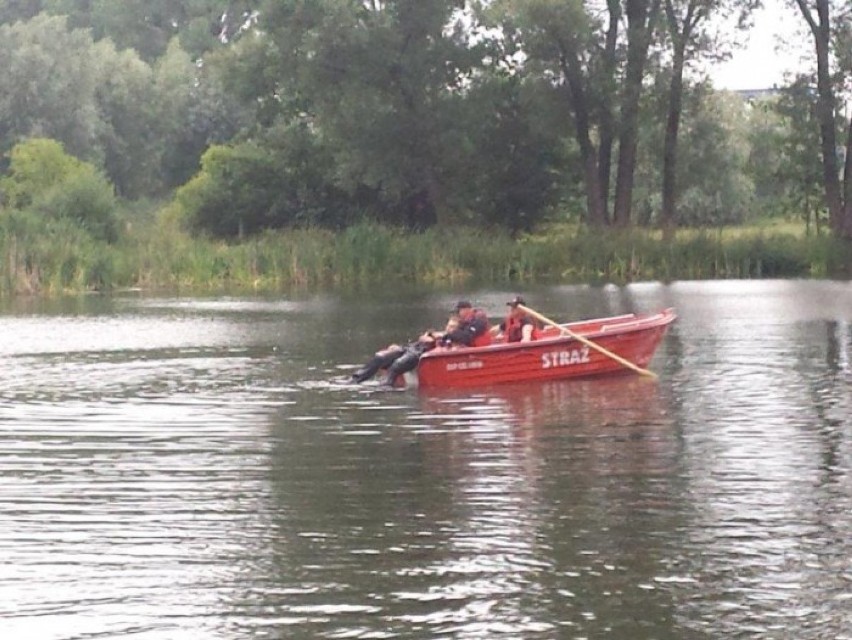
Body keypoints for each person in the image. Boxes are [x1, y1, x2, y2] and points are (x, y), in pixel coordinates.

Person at [351, 315, 459, 386]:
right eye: (449, 326)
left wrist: (436, 339)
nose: (449, 329)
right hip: (409, 349)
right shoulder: (437, 333)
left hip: (418, 355)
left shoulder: (453, 338)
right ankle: (355, 380)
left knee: (397, 364)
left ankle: (385, 386)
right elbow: (416, 343)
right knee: (380, 358)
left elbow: (447, 349)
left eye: (453, 327)